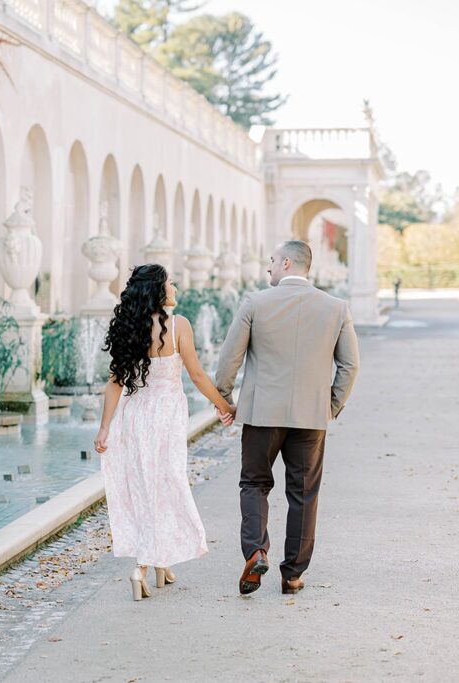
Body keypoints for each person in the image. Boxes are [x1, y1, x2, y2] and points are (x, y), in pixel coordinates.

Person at [215, 240, 359, 596]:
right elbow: (350, 365)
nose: (268, 268)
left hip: (262, 413)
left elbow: (229, 358)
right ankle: (293, 573)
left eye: (273, 261)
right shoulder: (336, 308)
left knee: (254, 483)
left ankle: (256, 550)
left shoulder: (256, 303)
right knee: (304, 493)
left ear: (289, 263)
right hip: (311, 417)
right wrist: (331, 405)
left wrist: (225, 397)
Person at [93, 264, 236, 601]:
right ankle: (142, 566)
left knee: (146, 486)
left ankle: (162, 565)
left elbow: (115, 383)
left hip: (136, 415)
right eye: (170, 281)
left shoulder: (130, 328)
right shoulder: (178, 326)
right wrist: (225, 406)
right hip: (167, 415)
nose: (174, 285)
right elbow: (198, 375)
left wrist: (104, 428)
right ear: (158, 289)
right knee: (165, 485)